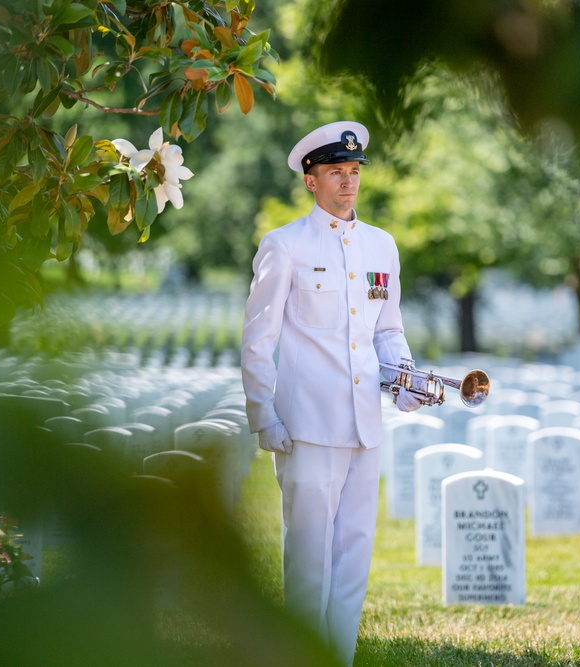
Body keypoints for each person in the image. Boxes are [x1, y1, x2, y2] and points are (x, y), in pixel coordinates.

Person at [240, 121, 421, 666]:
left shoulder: (381, 245)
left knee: (352, 564)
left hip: (365, 425)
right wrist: (262, 416)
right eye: (335, 172)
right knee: (310, 563)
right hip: (309, 427)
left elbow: (386, 330)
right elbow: (258, 339)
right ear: (309, 180)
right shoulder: (285, 245)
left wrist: (405, 379)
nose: (348, 181)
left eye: (353, 171)